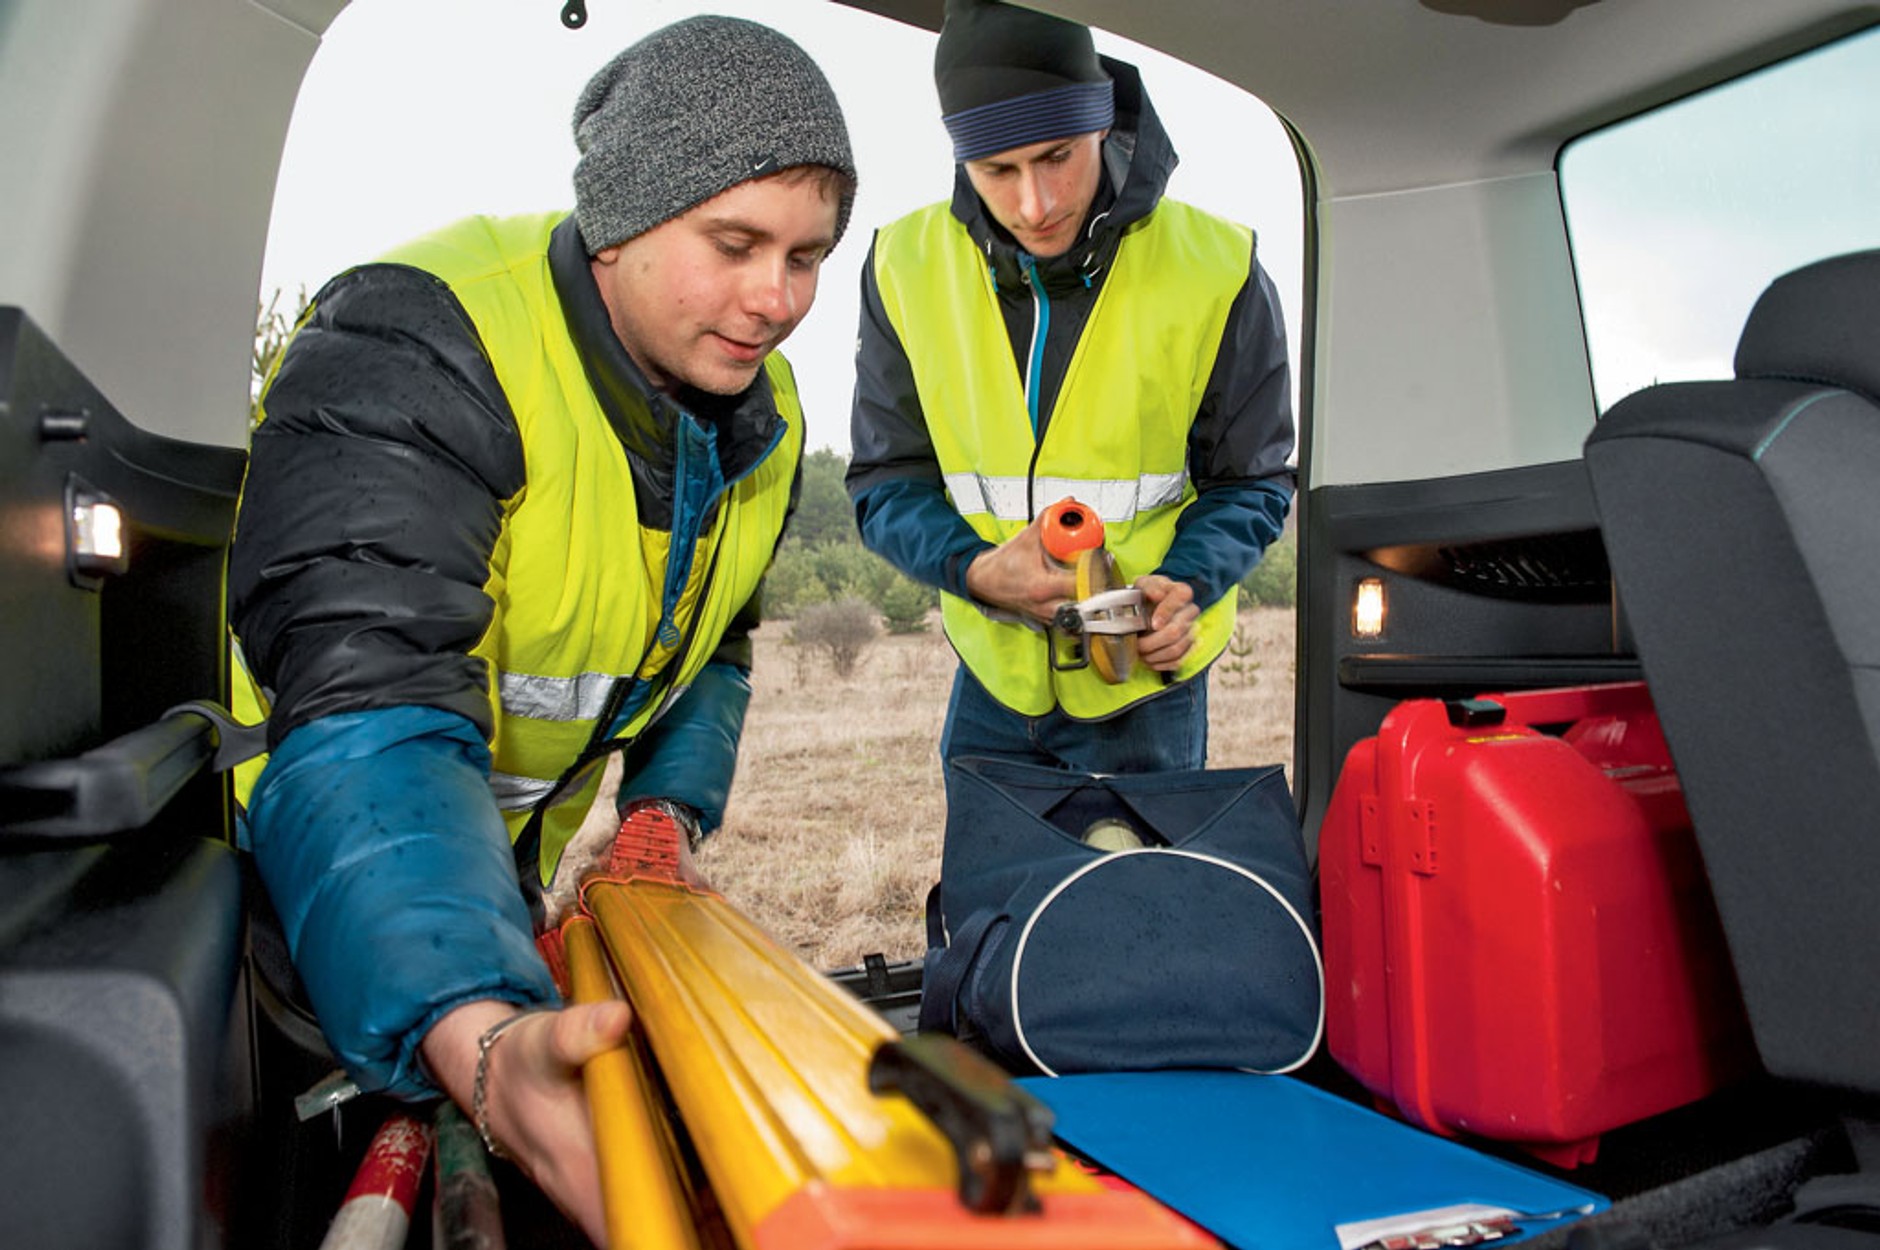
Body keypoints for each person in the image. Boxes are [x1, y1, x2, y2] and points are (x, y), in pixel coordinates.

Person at [225, 16, 854, 1242]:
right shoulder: (418, 343)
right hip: (293, 882)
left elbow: (710, 641)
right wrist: (478, 1027)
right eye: (734, 244)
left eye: (806, 254)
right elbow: (366, 710)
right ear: (618, 218)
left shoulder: (757, 412)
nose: (775, 299)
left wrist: (663, 810)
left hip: (486, 878)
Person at [846, 0, 1295, 778]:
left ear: (1101, 121)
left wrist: (1185, 584)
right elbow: (885, 482)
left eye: (1057, 156)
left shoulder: (1219, 267)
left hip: (1142, 688)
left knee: (1135, 867)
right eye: (998, 170)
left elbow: (1251, 482)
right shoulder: (902, 265)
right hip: (992, 684)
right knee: (992, 867)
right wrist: (974, 570)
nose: (1036, 204)